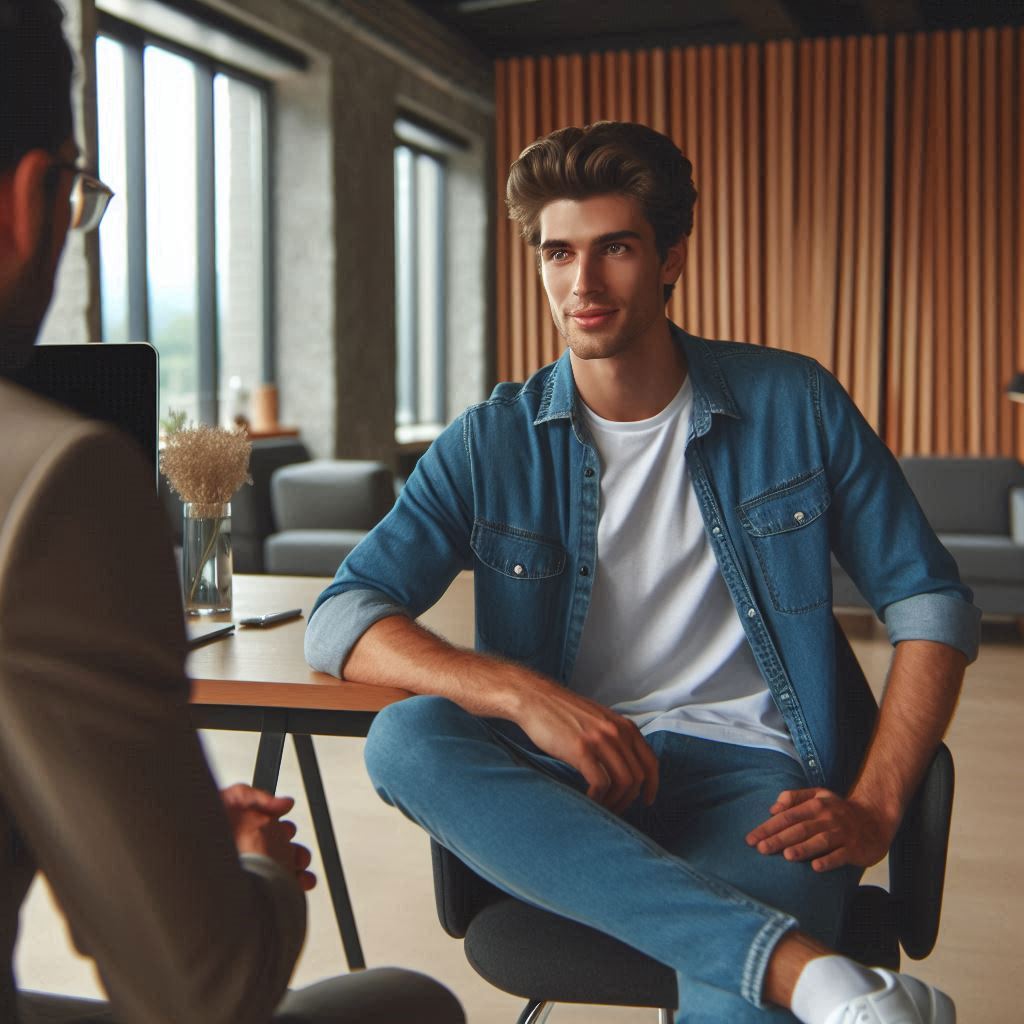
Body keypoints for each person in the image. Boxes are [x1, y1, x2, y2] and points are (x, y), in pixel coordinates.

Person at [306, 120, 979, 1024]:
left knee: (728, 997)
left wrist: (877, 805)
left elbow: (929, 601)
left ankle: (774, 972)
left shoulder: (795, 402)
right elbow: (343, 613)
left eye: (614, 248)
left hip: (757, 779)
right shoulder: (490, 444)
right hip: (568, 776)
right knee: (406, 740)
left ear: (668, 259)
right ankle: (809, 975)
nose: (581, 284)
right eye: (558, 253)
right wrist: (522, 697)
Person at [0, 3, 464, 1022]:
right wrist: (247, 865)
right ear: (32, 198)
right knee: (404, 1004)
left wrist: (145, 825)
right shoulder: (53, 479)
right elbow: (198, 994)